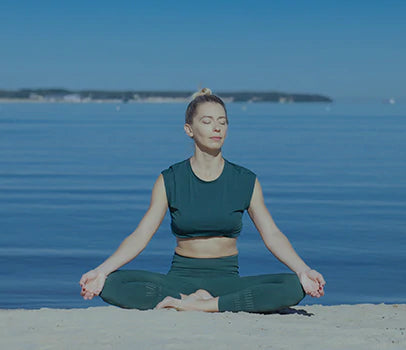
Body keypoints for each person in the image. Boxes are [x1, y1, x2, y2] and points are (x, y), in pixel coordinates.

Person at [79, 88, 326, 313]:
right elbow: (141, 235)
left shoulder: (245, 180)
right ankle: (196, 301)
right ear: (189, 129)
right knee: (111, 284)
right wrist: (101, 270)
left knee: (293, 286)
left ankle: (204, 305)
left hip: (228, 280)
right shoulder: (170, 179)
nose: (216, 128)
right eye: (207, 122)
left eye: (222, 122)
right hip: (178, 280)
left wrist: (304, 270)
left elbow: (272, 234)